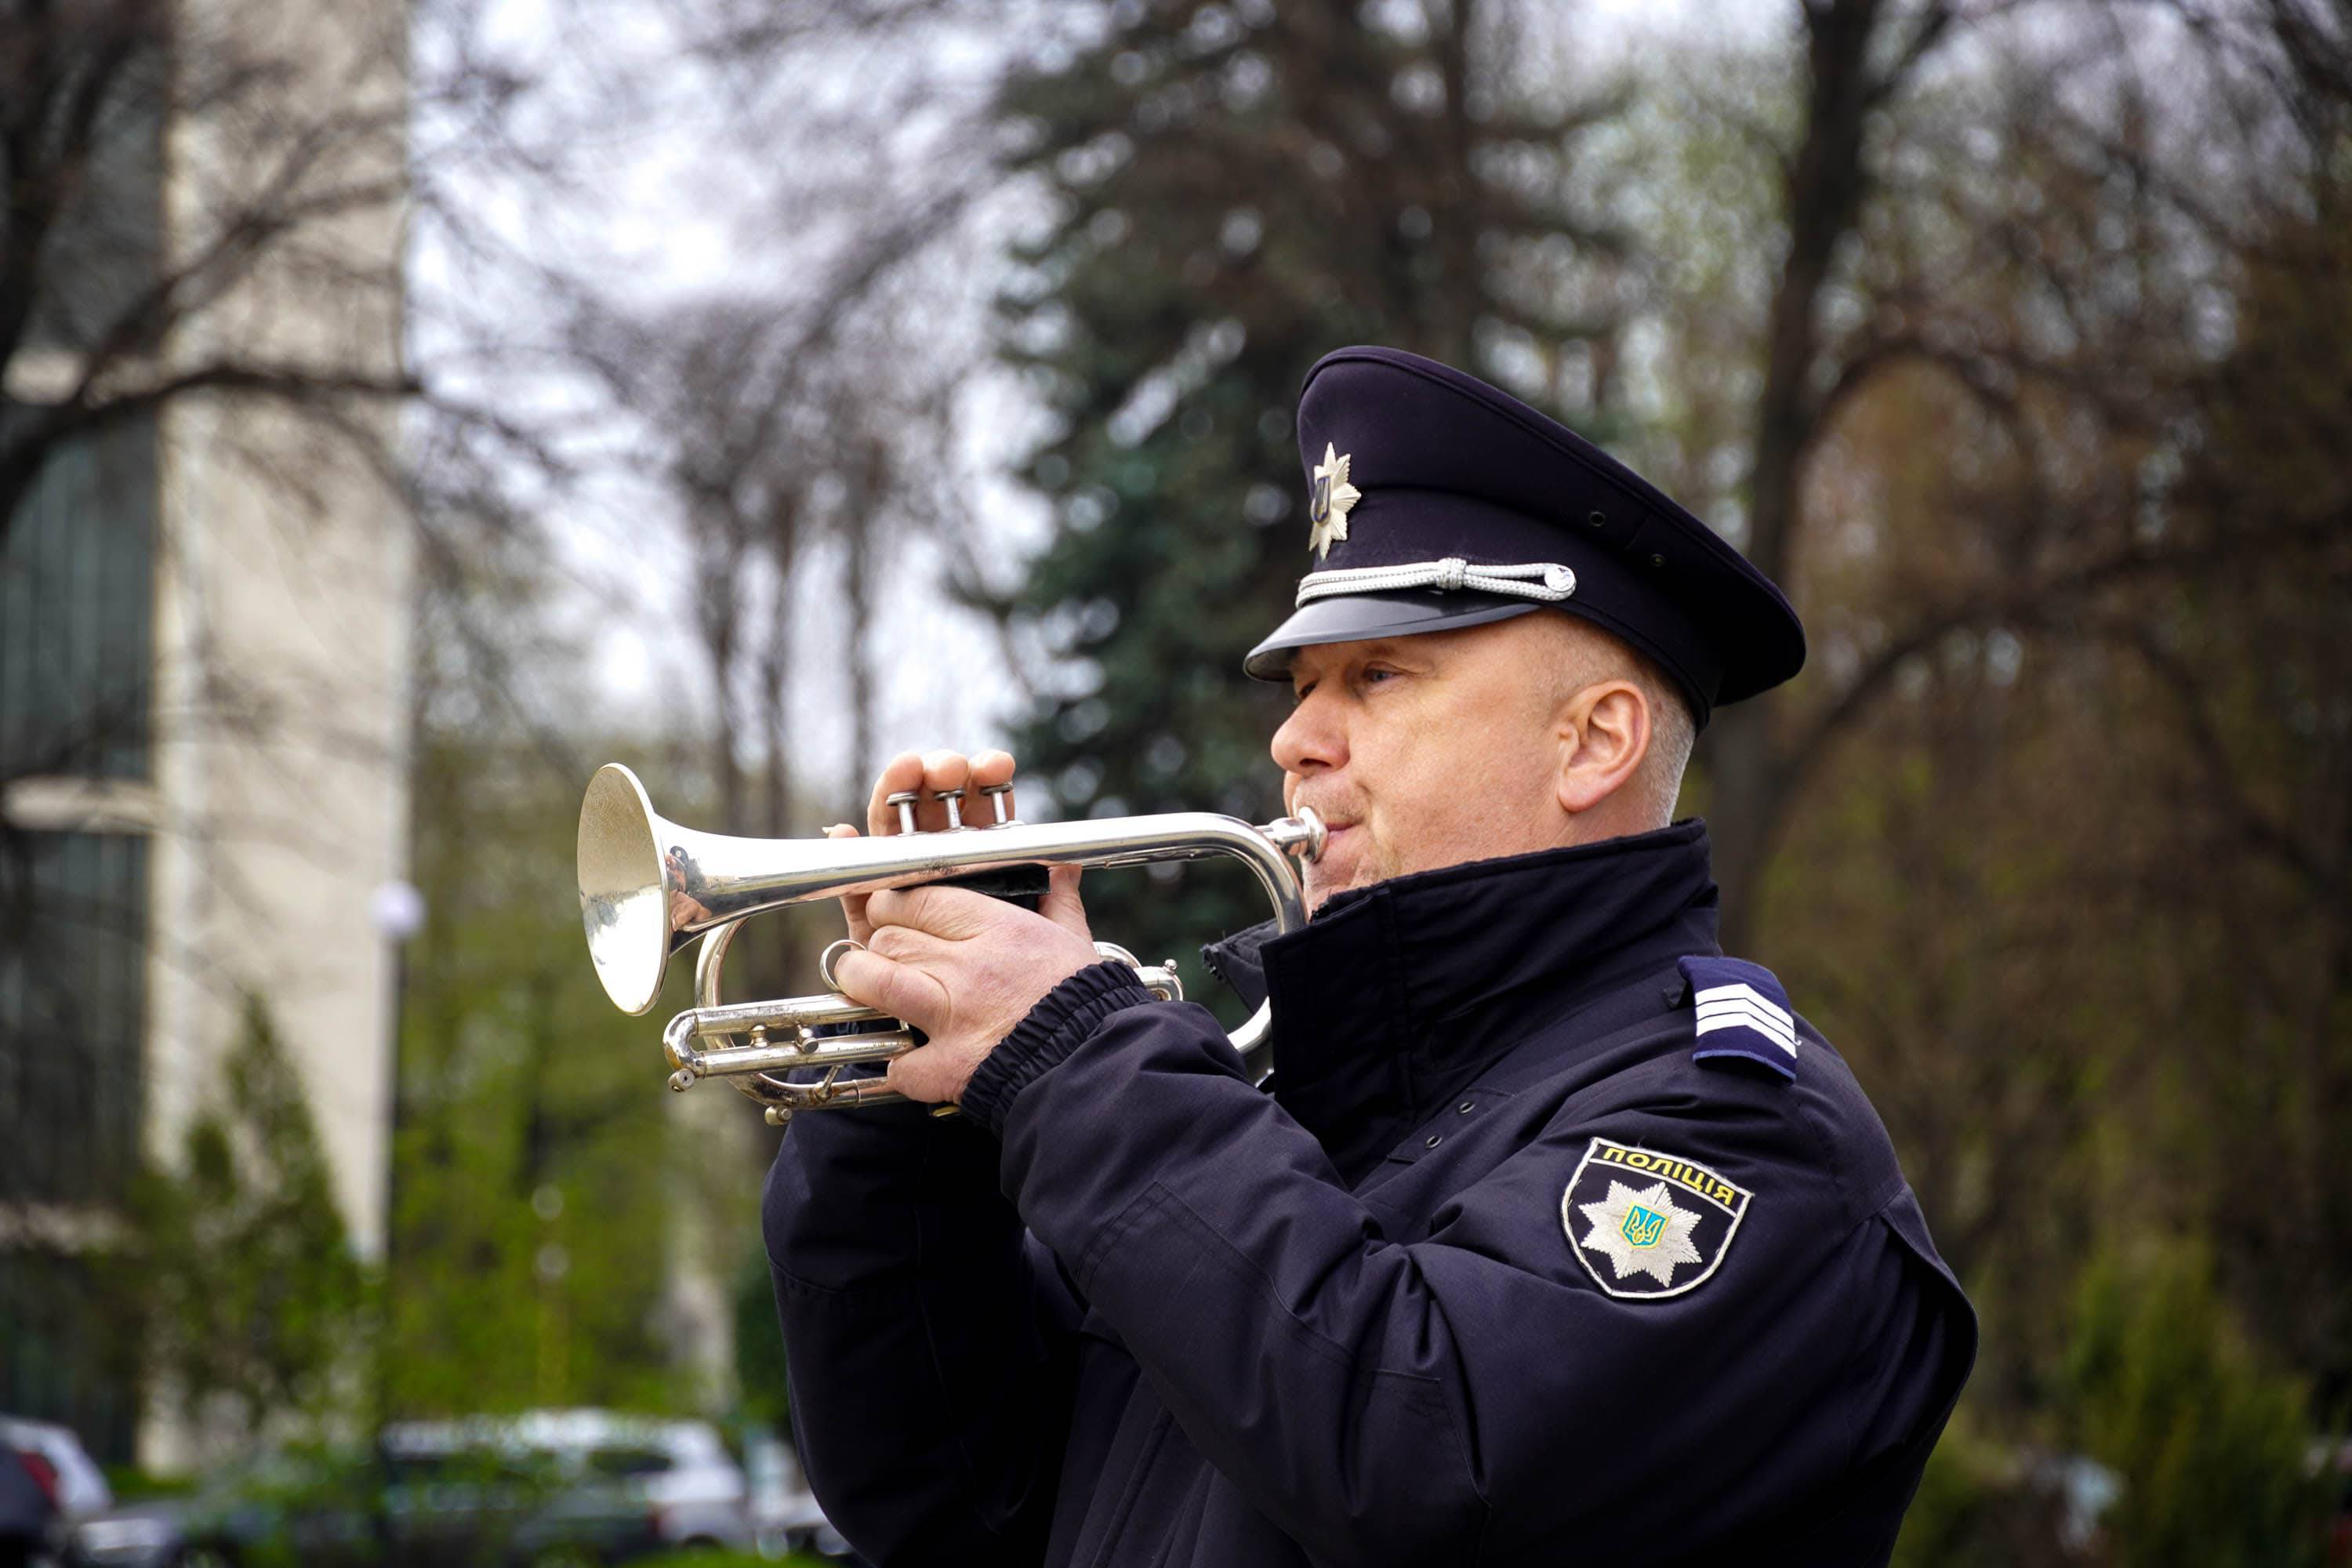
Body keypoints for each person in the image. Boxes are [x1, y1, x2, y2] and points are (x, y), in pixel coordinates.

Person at [764, 346, 1976, 1566]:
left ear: (1593, 742)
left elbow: (1423, 1462)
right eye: (1301, 685)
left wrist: (1079, 1062)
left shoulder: (1744, 1136)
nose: (1295, 737)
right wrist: (915, 1120)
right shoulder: (1289, 1125)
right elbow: (952, 1507)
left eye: (1378, 675)